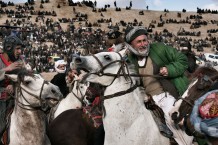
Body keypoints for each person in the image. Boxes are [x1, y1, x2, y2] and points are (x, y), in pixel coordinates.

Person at [123, 26, 193, 145]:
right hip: (144, 100)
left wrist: (169, 69)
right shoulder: (129, 60)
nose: (143, 44)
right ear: (131, 45)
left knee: (173, 120)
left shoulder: (159, 49)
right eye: (139, 42)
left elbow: (182, 59)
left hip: (164, 96)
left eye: (145, 40)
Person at [0, 34, 25, 144]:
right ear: (9, 48)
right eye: (18, 48)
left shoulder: (20, 62)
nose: (20, 52)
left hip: (16, 100)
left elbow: (27, 79)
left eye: (20, 49)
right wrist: (6, 69)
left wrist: (14, 85)